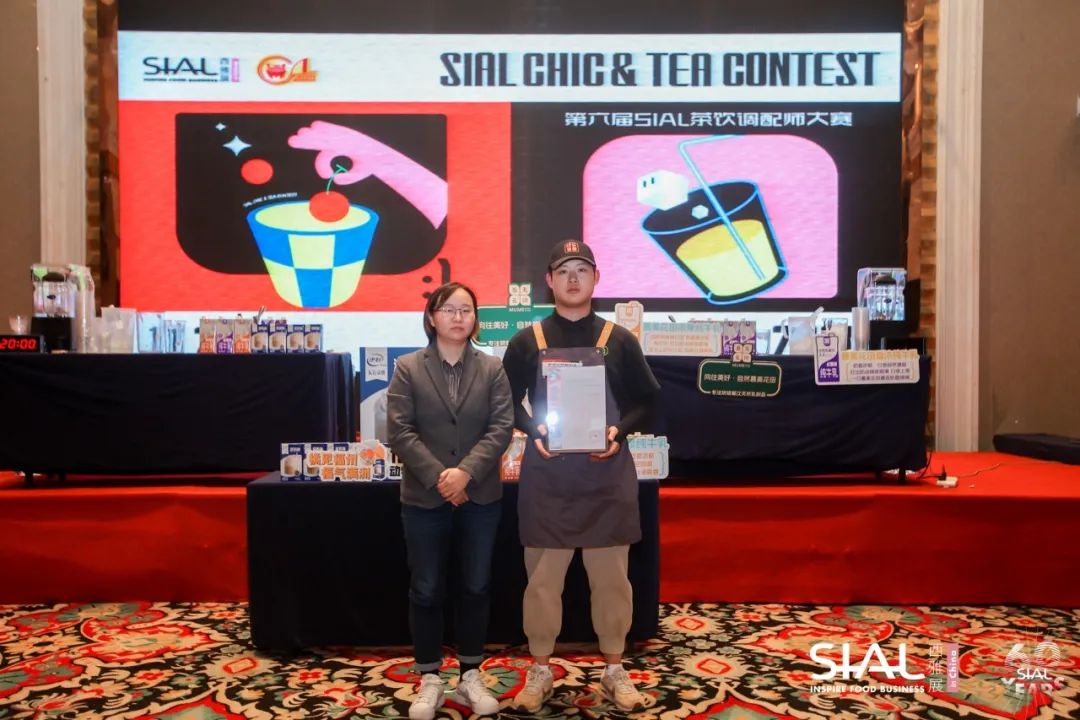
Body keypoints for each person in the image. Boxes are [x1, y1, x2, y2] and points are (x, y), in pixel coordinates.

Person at [501, 240, 661, 712]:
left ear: (596, 278)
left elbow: (647, 401)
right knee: (542, 583)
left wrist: (619, 432)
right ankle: (540, 670)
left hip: (605, 478)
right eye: (564, 270)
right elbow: (504, 400)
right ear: (549, 281)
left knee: (612, 583)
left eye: (582, 269)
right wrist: (532, 429)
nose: (573, 278)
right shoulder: (527, 340)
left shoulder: (619, 339)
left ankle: (614, 668)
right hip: (547, 479)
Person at [387, 282, 514, 720]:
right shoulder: (408, 367)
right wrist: (442, 477)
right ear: (431, 317)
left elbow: (501, 427)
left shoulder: (492, 368)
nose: (458, 317)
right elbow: (400, 430)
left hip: (480, 495)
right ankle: (429, 678)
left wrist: (466, 473)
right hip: (424, 497)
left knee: (476, 585)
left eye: (466, 310)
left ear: (475, 318)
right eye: (449, 309)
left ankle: (470, 675)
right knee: (426, 587)